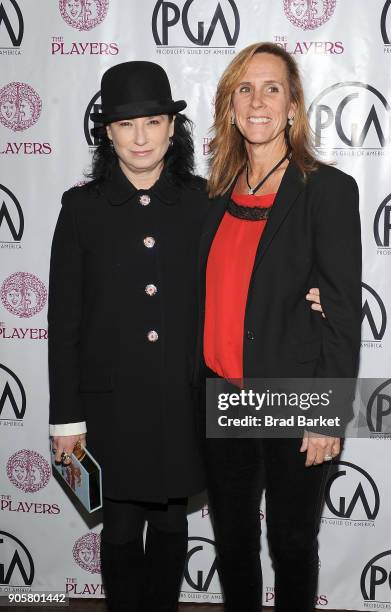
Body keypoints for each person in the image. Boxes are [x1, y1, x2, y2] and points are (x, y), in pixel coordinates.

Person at [196, 42, 362, 611]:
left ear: (293, 105)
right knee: (233, 541)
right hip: (222, 393)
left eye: (272, 88)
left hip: (293, 394)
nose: (258, 100)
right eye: (245, 88)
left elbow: (341, 311)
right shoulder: (213, 193)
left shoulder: (327, 191)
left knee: (291, 542)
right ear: (231, 105)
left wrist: (327, 415)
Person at [48, 61, 209, 612]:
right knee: (117, 530)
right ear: (108, 132)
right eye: (125, 124)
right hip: (109, 409)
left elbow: (243, 286)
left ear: (172, 126)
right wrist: (67, 420)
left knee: (169, 523)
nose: (140, 137)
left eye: (153, 121)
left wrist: (309, 294)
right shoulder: (80, 209)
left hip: (180, 402)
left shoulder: (203, 203)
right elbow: (64, 322)